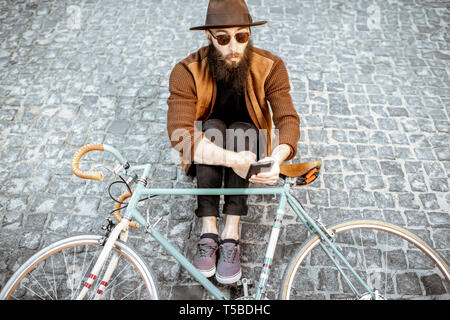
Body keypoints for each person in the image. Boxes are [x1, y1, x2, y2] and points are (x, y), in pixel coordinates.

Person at [166, 0, 300, 284]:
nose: (234, 46)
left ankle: (231, 231)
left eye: (242, 36)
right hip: (209, 139)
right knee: (212, 128)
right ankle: (208, 227)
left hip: (247, 137)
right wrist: (232, 160)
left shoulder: (271, 66)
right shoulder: (185, 70)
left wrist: (277, 158)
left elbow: (288, 120)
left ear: (249, 33)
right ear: (209, 36)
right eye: (224, 38)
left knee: (242, 130)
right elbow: (180, 133)